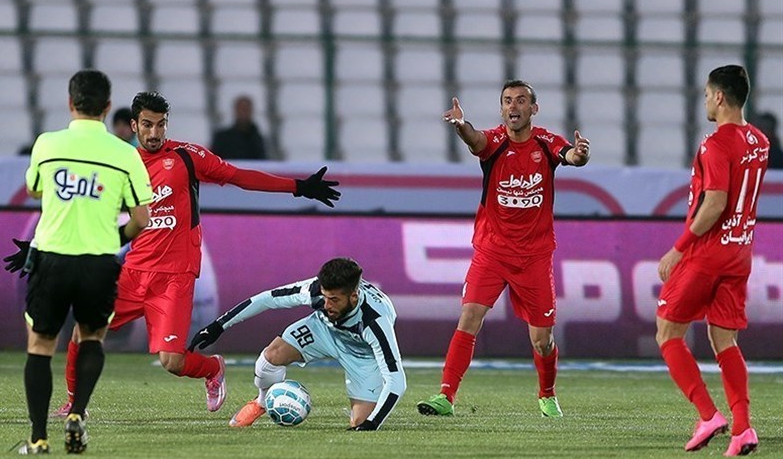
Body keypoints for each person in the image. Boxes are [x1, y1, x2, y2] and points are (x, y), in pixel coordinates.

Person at [37, 91, 340, 417]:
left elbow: (238, 177)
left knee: (172, 361)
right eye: (148, 125)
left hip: (174, 275)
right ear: (134, 126)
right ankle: (73, 403)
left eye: (161, 125)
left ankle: (212, 368)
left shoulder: (186, 156)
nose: (155, 133)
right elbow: (85, 209)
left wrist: (298, 187)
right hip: (133, 271)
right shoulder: (120, 162)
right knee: (83, 330)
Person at [416, 80, 591, 418]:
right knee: (469, 317)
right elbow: (475, 140)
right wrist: (460, 127)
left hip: (535, 256)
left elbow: (570, 155)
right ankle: (446, 396)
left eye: (521, 100)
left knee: (542, 339)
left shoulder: (546, 142)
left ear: (533, 109)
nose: (514, 106)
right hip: (492, 251)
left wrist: (580, 155)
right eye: (508, 101)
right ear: (502, 109)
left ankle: (547, 394)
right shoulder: (494, 142)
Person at [4, 69, 153, 454]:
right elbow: (141, 219)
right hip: (99, 263)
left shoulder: (47, 144)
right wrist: (112, 237)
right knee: (91, 337)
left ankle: (38, 439)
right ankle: (78, 414)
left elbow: (36, 188)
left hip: (52, 258)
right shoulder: (126, 155)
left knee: (40, 345)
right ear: (107, 108)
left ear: (71, 103)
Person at [655, 64, 769, 457]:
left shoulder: (715, 144)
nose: (705, 100)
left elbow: (716, 201)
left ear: (719, 97)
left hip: (708, 253)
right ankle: (743, 430)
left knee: (667, 332)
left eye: (707, 94)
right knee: (724, 339)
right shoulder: (760, 141)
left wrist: (679, 246)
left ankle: (708, 415)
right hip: (741, 251)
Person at [189, 257, 406, 431]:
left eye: (335, 300)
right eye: (325, 297)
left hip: (363, 355)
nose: (327, 304)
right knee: (272, 355)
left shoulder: (376, 322)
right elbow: (267, 299)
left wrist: (372, 423)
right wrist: (219, 325)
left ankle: (364, 417)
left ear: (354, 296)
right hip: (324, 330)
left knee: (359, 424)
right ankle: (262, 402)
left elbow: (396, 381)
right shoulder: (315, 291)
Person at [210, 95, 268, 160]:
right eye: (241, 109)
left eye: (246, 109)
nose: (244, 112)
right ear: (235, 110)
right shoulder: (222, 137)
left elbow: (262, 161)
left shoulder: (258, 139)